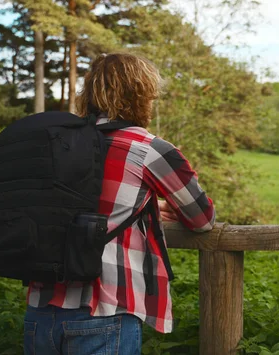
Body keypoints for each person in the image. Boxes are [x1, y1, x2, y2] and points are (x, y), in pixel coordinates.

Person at [23, 52, 215, 354]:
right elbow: (202, 219)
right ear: (141, 95)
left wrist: (144, 207)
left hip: (40, 313)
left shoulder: (56, 144)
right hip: (104, 311)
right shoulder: (149, 149)